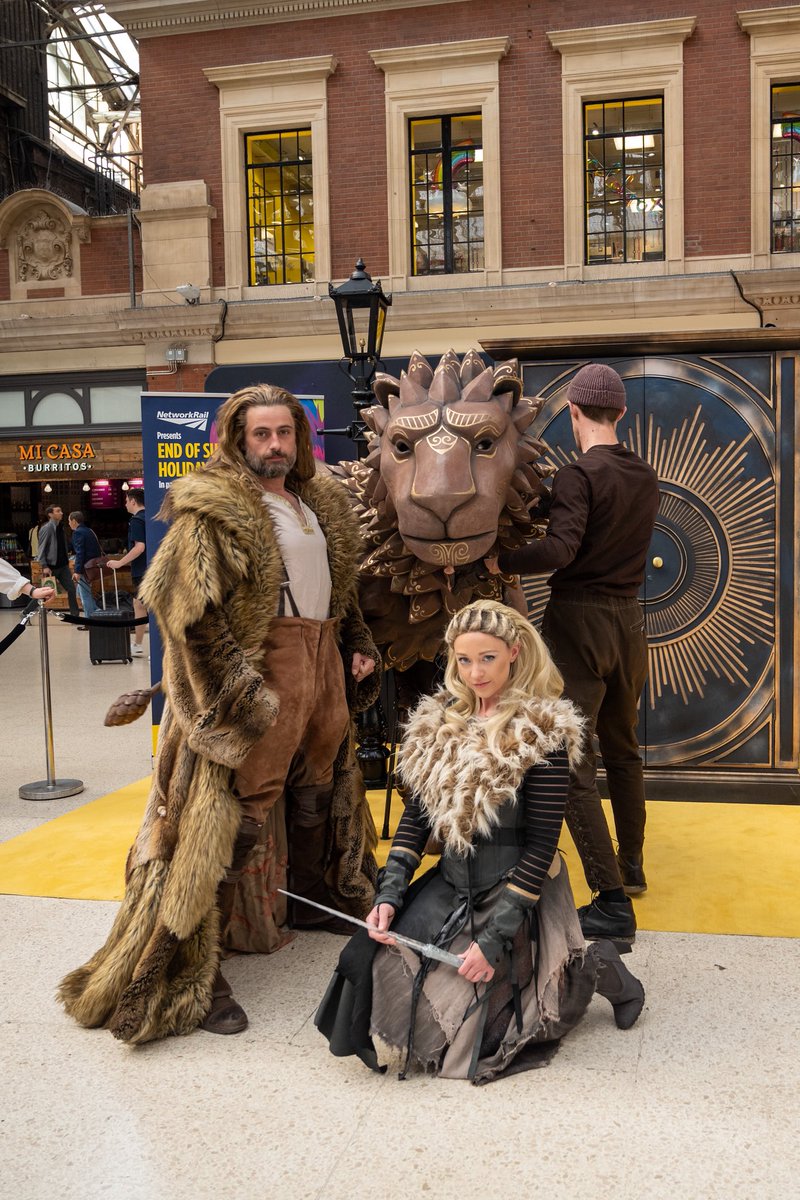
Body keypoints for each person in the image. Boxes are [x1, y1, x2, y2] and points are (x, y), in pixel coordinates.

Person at [59, 382, 381, 1044]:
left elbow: (339, 592)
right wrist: (238, 693)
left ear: (300, 439)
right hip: (262, 671)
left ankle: (310, 900)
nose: (274, 445)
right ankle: (201, 966)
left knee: (318, 786)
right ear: (236, 440)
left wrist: (354, 649)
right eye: (261, 434)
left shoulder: (316, 504)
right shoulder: (213, 510)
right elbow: (190, 613)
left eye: (284, 433)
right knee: (234, 816)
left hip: (320, 664)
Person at [315, 600, 644, 1084]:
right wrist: (388, 895)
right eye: (464, 660)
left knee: (493, 1029)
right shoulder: (436, 725)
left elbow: (540, 847)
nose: (475, 673)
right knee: (363, 963)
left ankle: (596, 965)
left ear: (514, 652)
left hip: (518, 889)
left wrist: (493, 941)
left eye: (488, 658)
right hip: (451, 884)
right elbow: (415, 822)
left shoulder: (543, 731)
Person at [487, 363, 660, 945]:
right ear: (622, 414)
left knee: (571, 761)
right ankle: (632, 868)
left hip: (578, 621)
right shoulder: (644, 473)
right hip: (630, 623)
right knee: (624, 749)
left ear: (575, 413)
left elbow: (562, 549)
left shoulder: (578, 474)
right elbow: (589, 527)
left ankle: (608, 899)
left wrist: (501, 562)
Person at [107, 488, 148, 656]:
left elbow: (140, 546)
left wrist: (120, 562)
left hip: (143, 571)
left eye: (126, 501)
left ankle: (154, 650)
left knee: (147, 607)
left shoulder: (137, 520)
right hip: (150, 568)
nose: (124, 504)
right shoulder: (149, 517)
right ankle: (138, 644)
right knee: (138, 604)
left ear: (133, 501)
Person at [36, 503, 79, 618]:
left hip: (63, 566)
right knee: (44, 594)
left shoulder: (61, 527)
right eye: (58, 511)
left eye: (60, 511)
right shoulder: (47, 528)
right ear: (50, 514)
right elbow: (41, 549)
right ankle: (25, 612)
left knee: (71, 589)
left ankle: (75, 616)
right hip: (51, 567)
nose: (61, 513)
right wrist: (44, 565)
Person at [68, 511, 102, 629]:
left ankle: (90, 621)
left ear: (73, 521)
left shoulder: (78, 533)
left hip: (84, 569)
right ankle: (97, 615)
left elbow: (80, 553)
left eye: (69, 521)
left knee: (85, 595)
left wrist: (77, 571)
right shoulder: (89, 531)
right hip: (92, 567)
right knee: (82, 593)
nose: (69, 524)